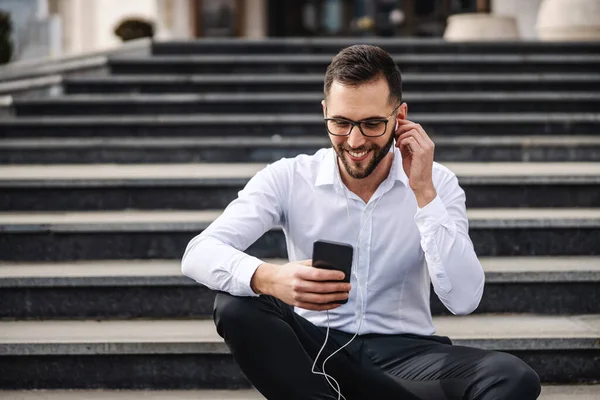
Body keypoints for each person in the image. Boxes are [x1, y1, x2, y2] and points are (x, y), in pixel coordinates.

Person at [181, 44, 542, 400]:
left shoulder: (437, 183)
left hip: (407, 357)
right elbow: (199, 252)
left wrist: (423, 193)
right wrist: (272, 278)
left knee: (511, 378)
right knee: (236, 305)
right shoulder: (288, 177)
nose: (355, 141)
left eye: (372, 124)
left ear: (400, 118)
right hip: (313, 351)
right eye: (340, 123)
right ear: (325, 112)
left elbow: (464, 299)